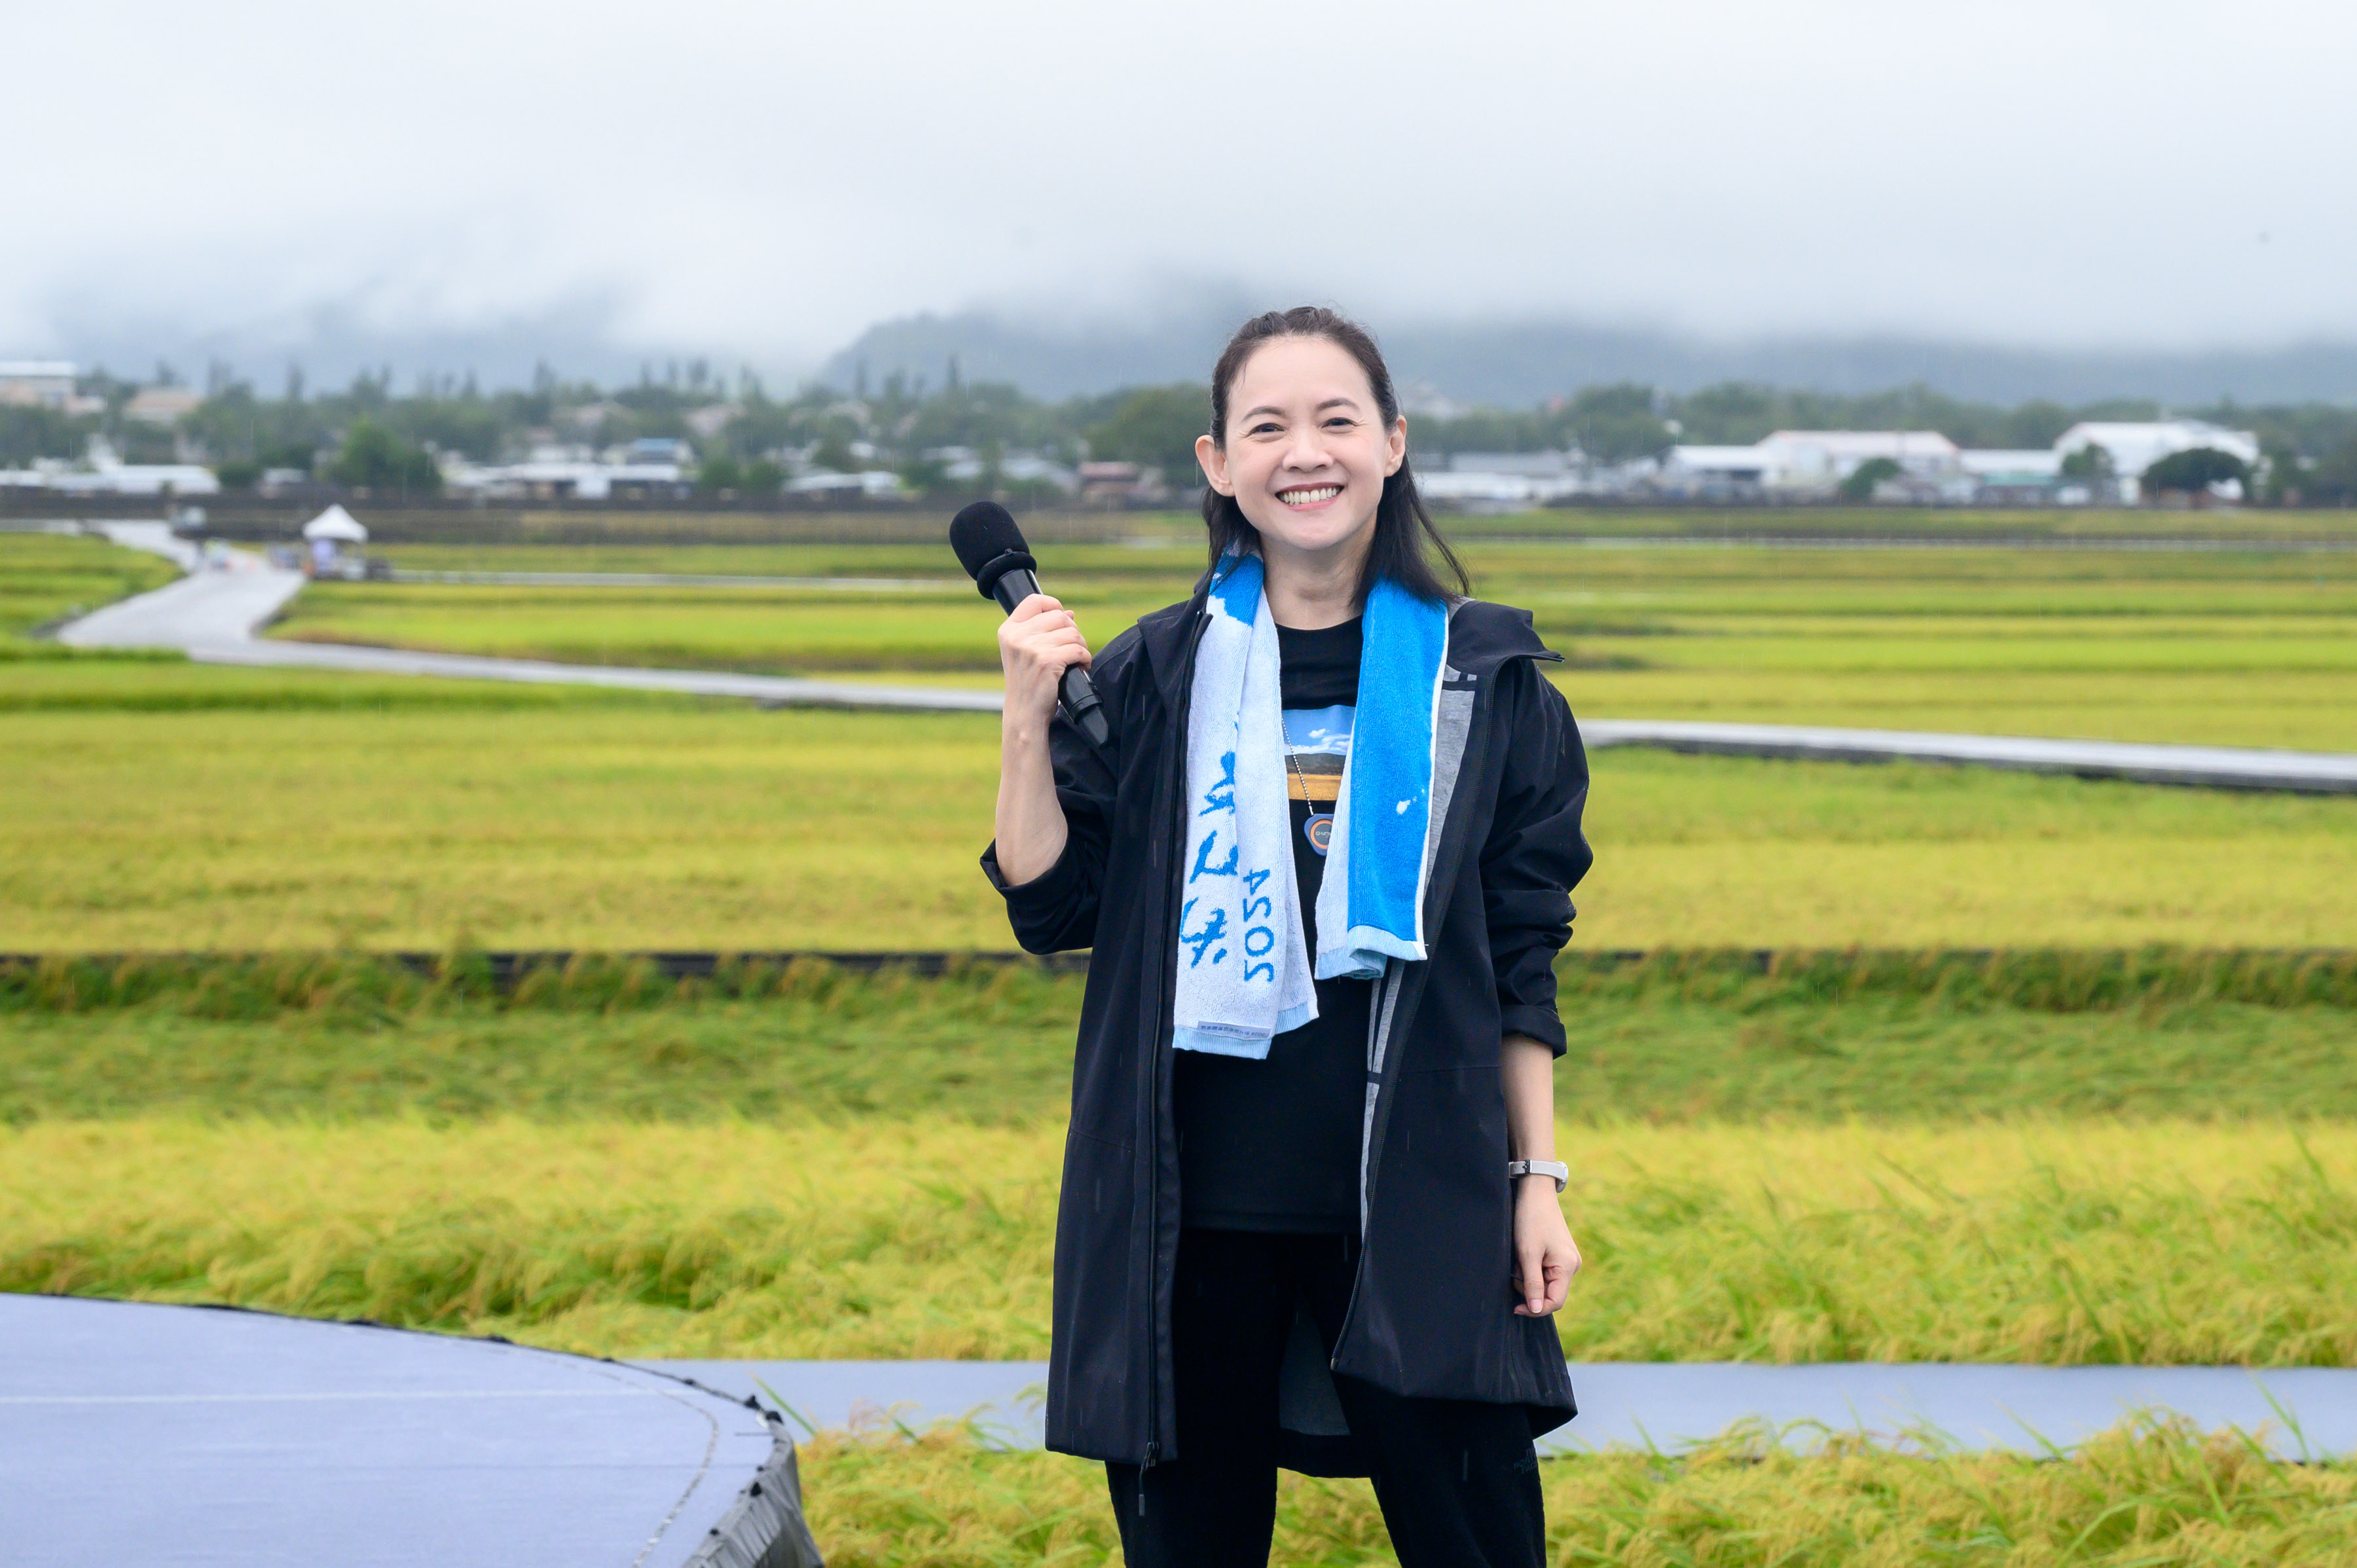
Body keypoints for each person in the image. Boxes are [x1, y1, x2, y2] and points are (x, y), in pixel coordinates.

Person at [983, 306, 1594, 1568]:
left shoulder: (1483, 682)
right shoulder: (1161, 672)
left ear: (1391, 446)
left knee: (1478, 1545)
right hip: (1190, 1211)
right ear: (1219, 464)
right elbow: (1055, 904)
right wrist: (1025, 720)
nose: (1302, 452)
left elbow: (1521, 957)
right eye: (1267, 426)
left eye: (1335, 420)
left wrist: (1538, 1183)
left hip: (1423, 1200)